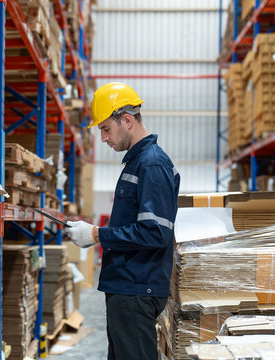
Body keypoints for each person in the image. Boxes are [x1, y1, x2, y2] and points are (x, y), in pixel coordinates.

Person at [64, 82, 180, 360]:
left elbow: (154, 233)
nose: (103, 137)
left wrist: (95, 234)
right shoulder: (137, 163)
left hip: (137, 290)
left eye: (105, 128)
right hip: (127, 288)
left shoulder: (152, 164)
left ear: (127, 120)